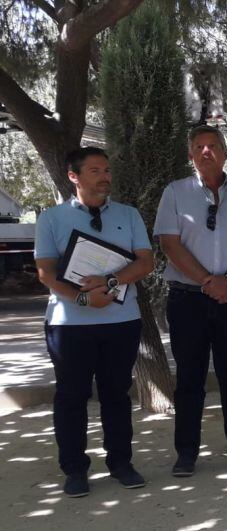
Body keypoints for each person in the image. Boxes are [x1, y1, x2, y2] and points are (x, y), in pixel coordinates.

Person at [34, 147, 155, 497]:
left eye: (106, 170)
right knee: (72, 396)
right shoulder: (51, 218)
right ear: (74, 176)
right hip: (68, 325)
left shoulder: (128, 215)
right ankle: (74, 470)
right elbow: (47, 273)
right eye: (95, 171)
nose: (105, 177)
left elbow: (145, 262)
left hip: (121, 321)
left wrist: (112, 283)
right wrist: (85, 298)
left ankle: (121, 463)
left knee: (116, 395)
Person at [154, 125, 227, 477]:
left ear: (225, 153)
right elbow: (170, 244)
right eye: (199, 147)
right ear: (191, 155)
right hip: (187, 300)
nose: (206, 151)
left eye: (213, 146)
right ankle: (186, 452)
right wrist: (208, 281)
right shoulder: (174, 193)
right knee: (189, 378)